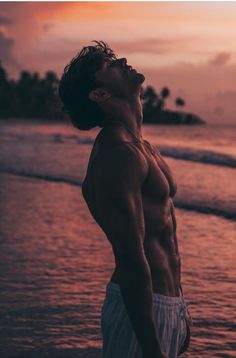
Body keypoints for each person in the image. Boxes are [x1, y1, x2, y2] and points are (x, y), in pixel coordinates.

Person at [59, 41, 192, 358]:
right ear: (100, 94)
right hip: (140, 312)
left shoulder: (144, 149)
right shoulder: (117, 155)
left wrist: (181, 308)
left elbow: (166, 233)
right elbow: (130, 256)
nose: (122, 61)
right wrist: (151, 346)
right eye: (109, 65)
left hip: (165, 305)